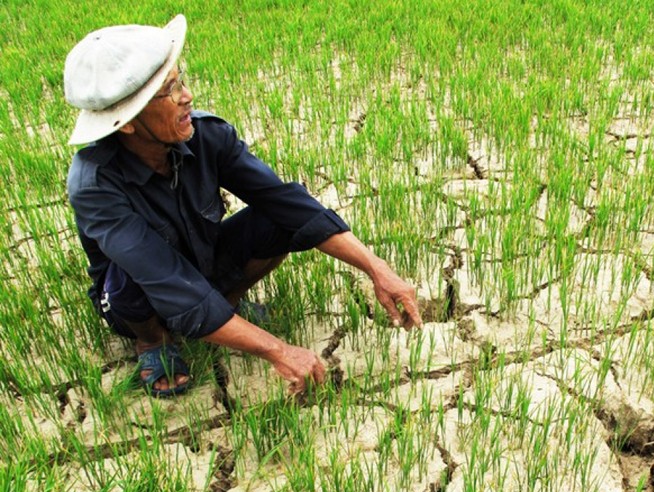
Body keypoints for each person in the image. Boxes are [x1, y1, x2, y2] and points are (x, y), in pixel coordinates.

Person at [64, 14, 422, 397]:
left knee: (277, 220)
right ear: (127, 124)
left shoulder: (207, 136)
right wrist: (278, 350)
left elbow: (287, 203)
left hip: (201, 259)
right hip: (138, 296)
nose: (186, 96)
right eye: (168, 92)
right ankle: (153, 342)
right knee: (127, 277)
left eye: (179, 79)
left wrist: (375, 267)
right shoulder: (96, 185)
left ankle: (227, 305)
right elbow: (165, 279)